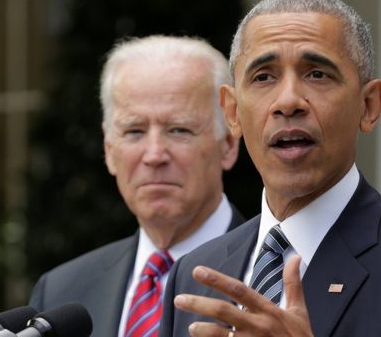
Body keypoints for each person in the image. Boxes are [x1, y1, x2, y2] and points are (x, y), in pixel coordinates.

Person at [159, 0, 381, 337]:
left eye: (317, 74)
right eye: (264, 76)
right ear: (233, 112)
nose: (288, 101)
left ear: (370, 105)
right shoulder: (193, 273)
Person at [29, 35, 245, 337]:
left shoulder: (271, 274)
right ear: (109, 149)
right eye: (134, 131)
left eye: (179, 129)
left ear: (228, 144)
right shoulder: (62, 291)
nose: (154, 154)